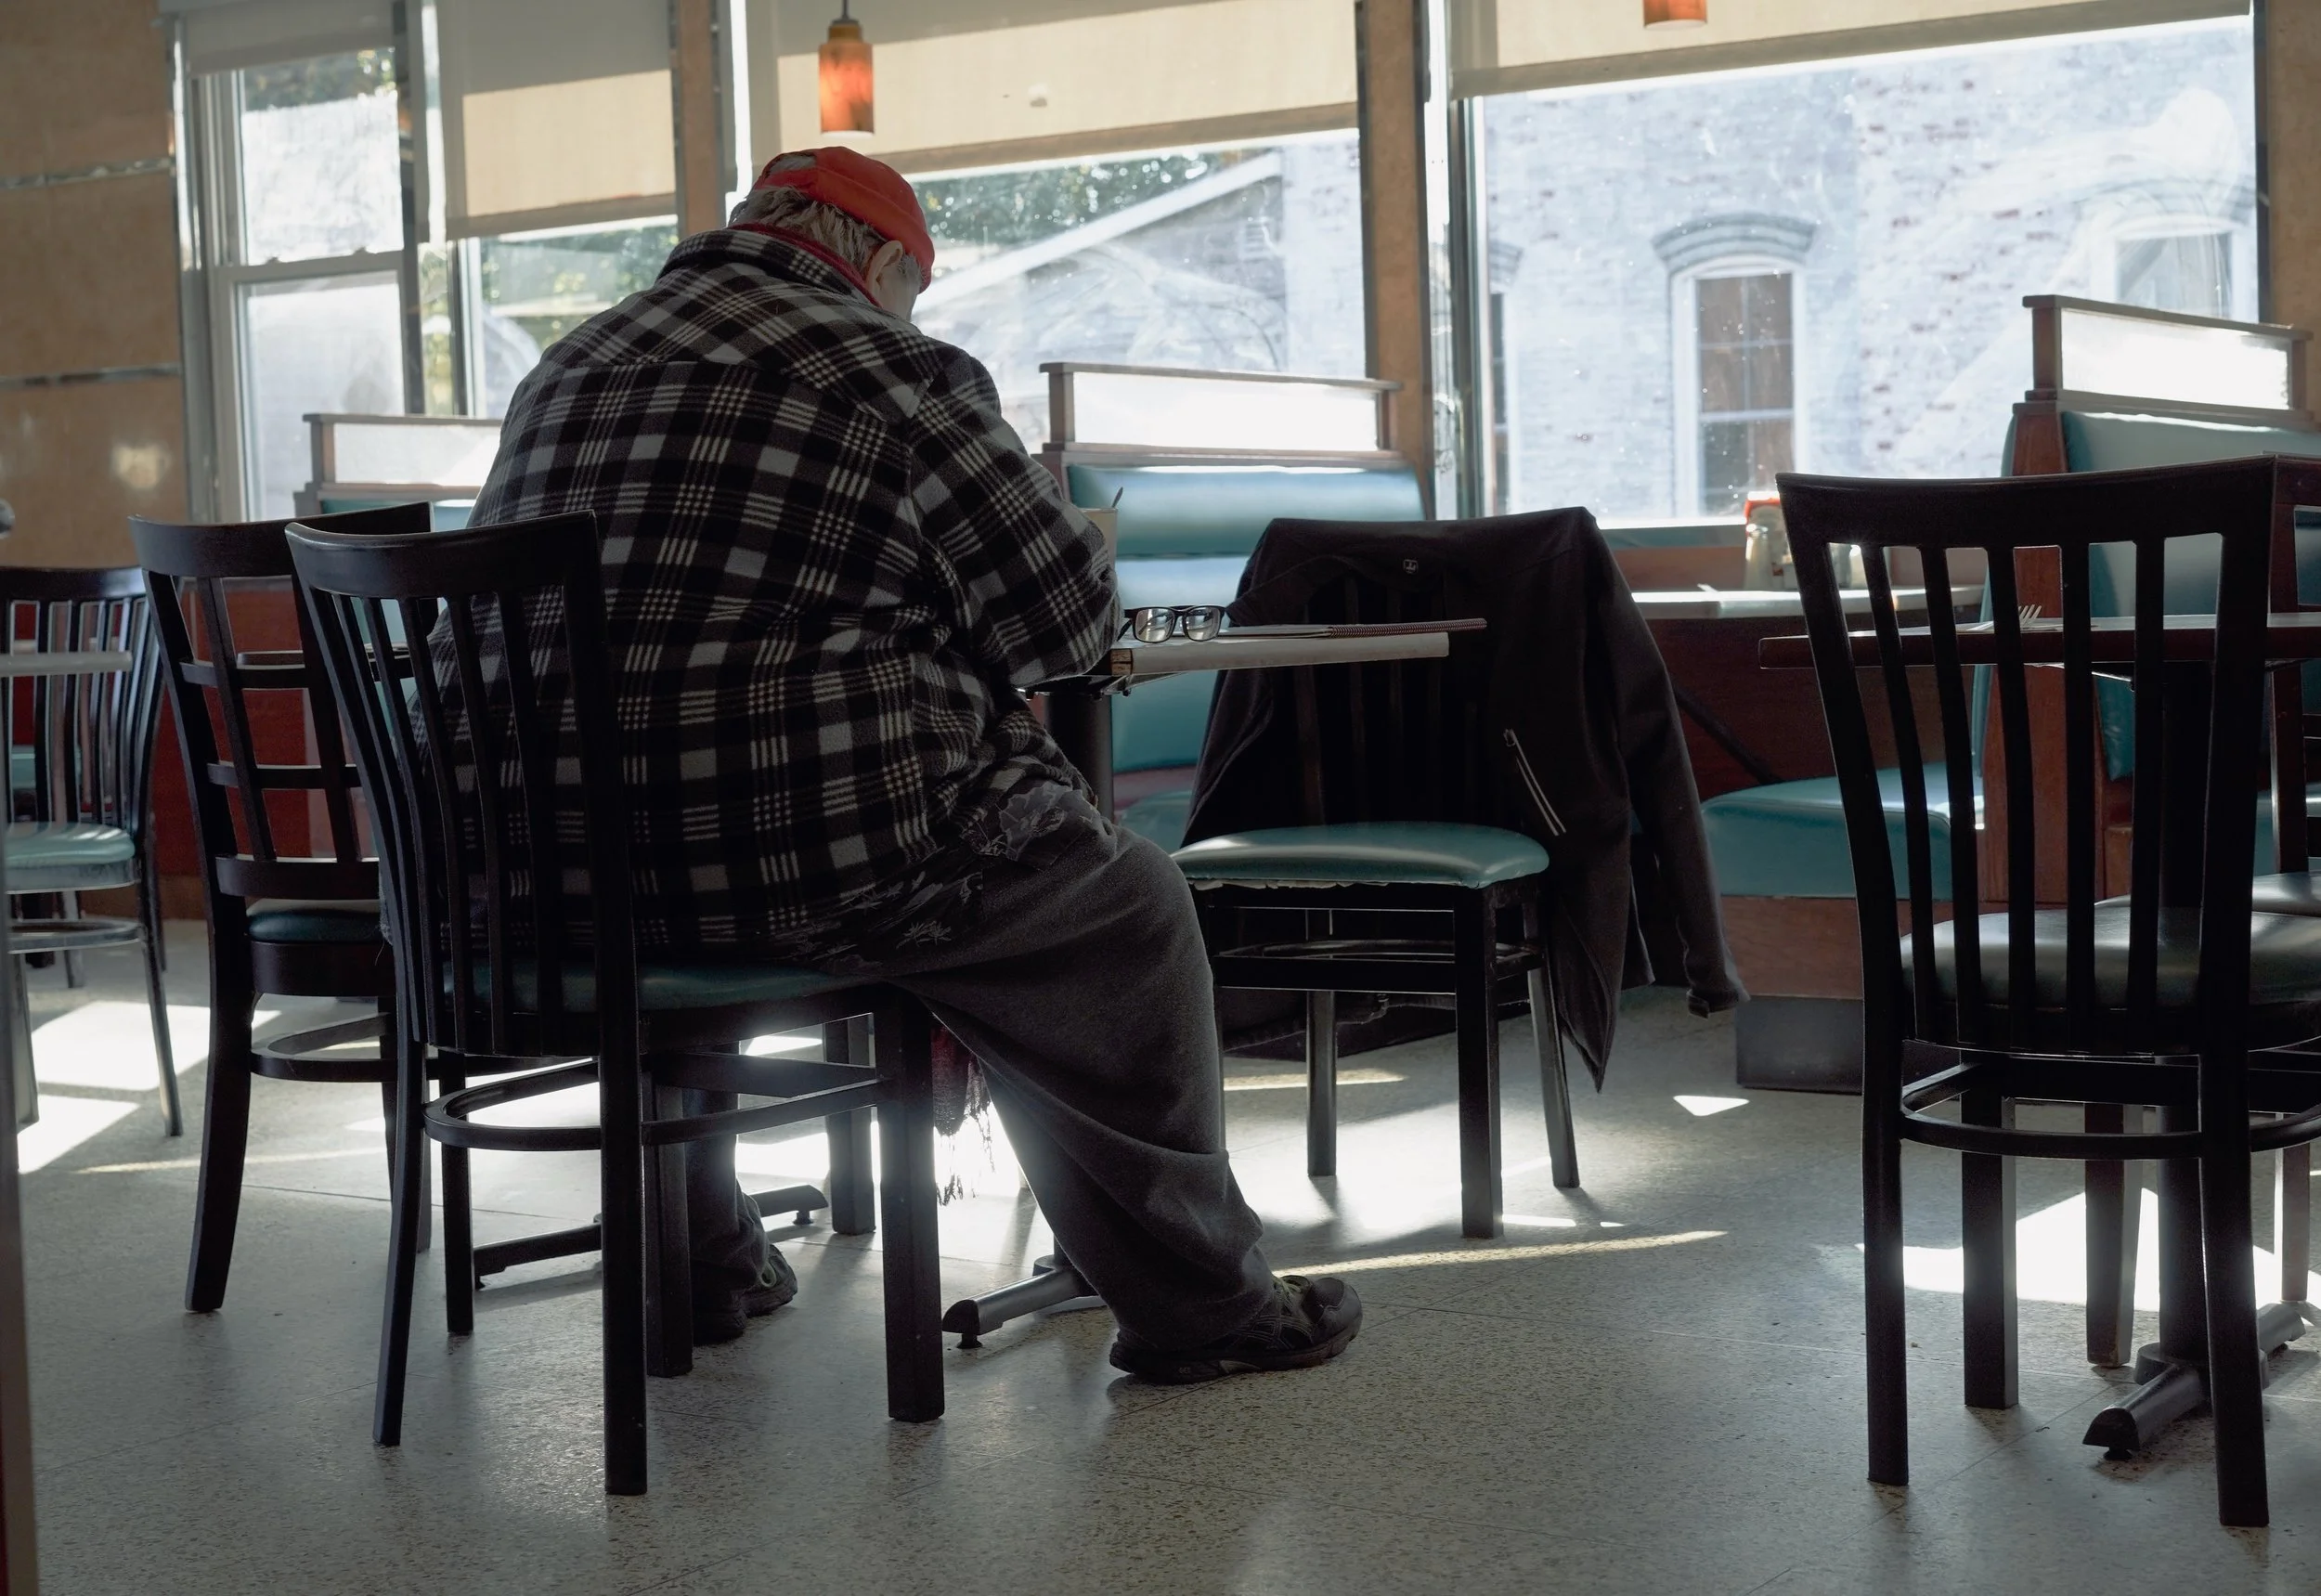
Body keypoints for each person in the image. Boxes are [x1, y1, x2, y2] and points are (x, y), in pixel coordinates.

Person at [466, 147, 1359, 1382]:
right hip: (811, 864)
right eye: (913, 287)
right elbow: (1063, 632)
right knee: (1129, 913)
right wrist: (1060, 517)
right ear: (880, 261)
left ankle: (704, 1255)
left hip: (547, 878)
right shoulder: (894, 371)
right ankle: (1203, 1307)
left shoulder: (568, 368)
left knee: (681, 810)